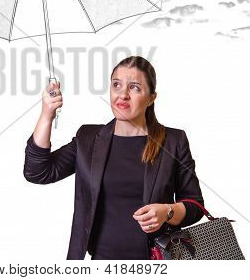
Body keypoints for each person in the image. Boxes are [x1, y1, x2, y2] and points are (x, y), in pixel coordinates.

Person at [23, 56, 205, 260]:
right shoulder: (88, 139)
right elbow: (37, 172)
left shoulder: (174, 140)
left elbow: (195, 205)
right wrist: (47, 115)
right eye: (116, 85)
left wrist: (168, 212)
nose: (123, 95)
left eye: (134, 87)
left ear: (151, 98)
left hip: (156, 262)